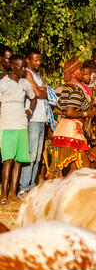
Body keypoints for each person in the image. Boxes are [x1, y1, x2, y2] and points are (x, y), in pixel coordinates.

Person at [49, 59, 96, 178]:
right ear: (74, 73)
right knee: (84, 170)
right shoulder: (76, 90)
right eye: (80, 70)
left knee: (66, 171)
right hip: (72, 132)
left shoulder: (65, 88)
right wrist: (87, 114)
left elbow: (59, 109)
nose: (82, 72)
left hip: (60, 131)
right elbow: (69, 112)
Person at [0, 55, 36, 205]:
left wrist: (29, 111)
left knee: (18, 162)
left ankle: (13, 194)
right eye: (21, 67)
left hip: (22, 125)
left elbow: (33, 98)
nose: (24, 69)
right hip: (7, 125)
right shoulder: (2, 83)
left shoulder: (25, 83)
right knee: (7, 160)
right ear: (12, 67)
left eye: (24, 66)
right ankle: (3, 196)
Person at [18, 48, 49, 196]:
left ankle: (31, 185)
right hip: (33, 119)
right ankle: (23, 187)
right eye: (35, 60)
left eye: (39, 60)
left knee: (37, 155)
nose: (38, 63)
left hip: (41, 119)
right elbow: (38, 93)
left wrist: (43, 91)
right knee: (30, 154)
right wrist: (43, 91)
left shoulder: (36, 75)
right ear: (28, 60)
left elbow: (45, 92)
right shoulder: (27, 74)